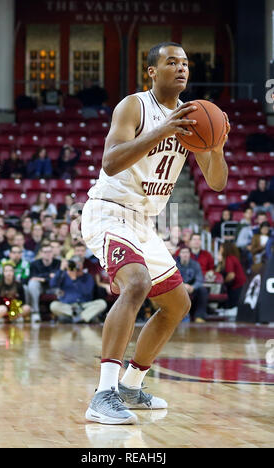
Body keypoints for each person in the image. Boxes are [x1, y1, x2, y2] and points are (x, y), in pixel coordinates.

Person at [80, 41, 229, 424]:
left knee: (178, 305)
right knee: (136, 284)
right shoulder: (134, 105)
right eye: (171, 62)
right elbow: (111, 162)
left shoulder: (193, 117)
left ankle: (132, 384)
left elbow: (216, 184)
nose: (181, 68)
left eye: (185, 63)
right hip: (109, 211)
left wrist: (216, 148)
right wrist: (161, 129)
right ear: (152, 70)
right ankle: (103, 394)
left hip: (145, 222)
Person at [49, 257, 107, 323]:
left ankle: (74, 318)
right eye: (74, 265)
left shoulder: (88, 277)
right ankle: (84, 317)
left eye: (78, 265)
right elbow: (53, 285)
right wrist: (61, 269)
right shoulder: (63, 275)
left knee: (102, 303)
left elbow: (86, 292)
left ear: (82, 266)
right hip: (68, 306)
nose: (76, 268)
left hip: (85, 305)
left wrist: (75, 280)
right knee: (53, 305)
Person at [27, 244, 61, 322]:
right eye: (45, 252)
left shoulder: (58, 263)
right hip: (40, 287)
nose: (48, 254)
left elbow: (58, 277)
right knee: (32, 284)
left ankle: (60, 314)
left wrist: (41, 278)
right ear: (41, 253)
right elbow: (31, 278)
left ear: (53, 253)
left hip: (54, 287)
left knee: (62, 286)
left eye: (49, 251)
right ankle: (35, 312)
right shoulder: (34, 264)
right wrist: (49, 276)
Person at [175, 246, 208, 323]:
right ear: (179, 254)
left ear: (190, 254)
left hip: (192, 288)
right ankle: (179, 316)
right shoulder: (174, 264)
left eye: (187, 252)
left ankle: (199, 317)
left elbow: (200, 280)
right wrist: (183, 286)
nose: (185, 254)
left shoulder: (195, 264)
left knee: (203, 290)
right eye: (183, 252)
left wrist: (193, 287)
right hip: (178, 288)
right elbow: (173, 279)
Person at [216, 242, 247, 318]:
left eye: (221, 248)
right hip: (238, 286)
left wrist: (222, 283)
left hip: (237, 287)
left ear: (225, 249)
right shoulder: (232, 258)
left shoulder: (229, 258)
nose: (219, 250)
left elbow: (231, 275)